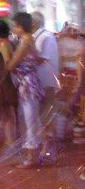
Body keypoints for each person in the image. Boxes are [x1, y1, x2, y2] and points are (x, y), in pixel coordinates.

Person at [6, 12, 44, 167]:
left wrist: (7, 58)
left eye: (15, 26)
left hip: (28, 85)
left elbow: (11, 64)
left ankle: (31, 158)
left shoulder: (25, 41)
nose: (13, 29)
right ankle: (33, 155)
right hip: (28, 83)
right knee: (29, 118)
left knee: (28, 120)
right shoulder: (28, 39)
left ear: (21, 26)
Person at [31, 11, 59, 162]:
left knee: (47, 114)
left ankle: (49, 147)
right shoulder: (39, 36)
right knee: (43, 115)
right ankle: (46, 146)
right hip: (40, 81)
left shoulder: (46, 37)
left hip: (47, 81)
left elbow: (42, 58)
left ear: (34, 23)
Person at [0, 18, 18, 147]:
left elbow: (8, 63)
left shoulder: (5, 44)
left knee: (8, 111)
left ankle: (10, 140)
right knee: (4, 112)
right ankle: (9, 139)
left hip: (4, 81)